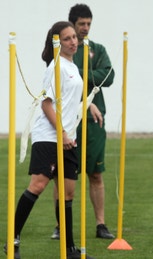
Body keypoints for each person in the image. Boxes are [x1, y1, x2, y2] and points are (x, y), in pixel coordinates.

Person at [4, 21, 94, 259]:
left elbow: (70, 97)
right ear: (57, 42)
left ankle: (70, 249)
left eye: (74, 37)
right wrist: (62, 133)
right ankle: (11, 240)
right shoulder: (56, 66)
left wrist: (89, 105)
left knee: (68, 193)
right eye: (67, 38)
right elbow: (46, 104)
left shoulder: (73, 66)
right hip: (49, 137)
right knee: (38, 185)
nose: (73, 41)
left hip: (68, 137)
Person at [51, 3, 115, 240]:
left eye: (89, 23)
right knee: (64, 175)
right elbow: (60, 77)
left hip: (94, 120)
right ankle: (61, 226)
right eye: (81, 24)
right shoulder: (63, 51)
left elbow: (108, 75)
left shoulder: (98, 49)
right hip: (69, 120)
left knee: (96, 174)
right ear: (72, 25)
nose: (86, 28)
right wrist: (86, 75)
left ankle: (101, 224)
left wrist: (79, 74)